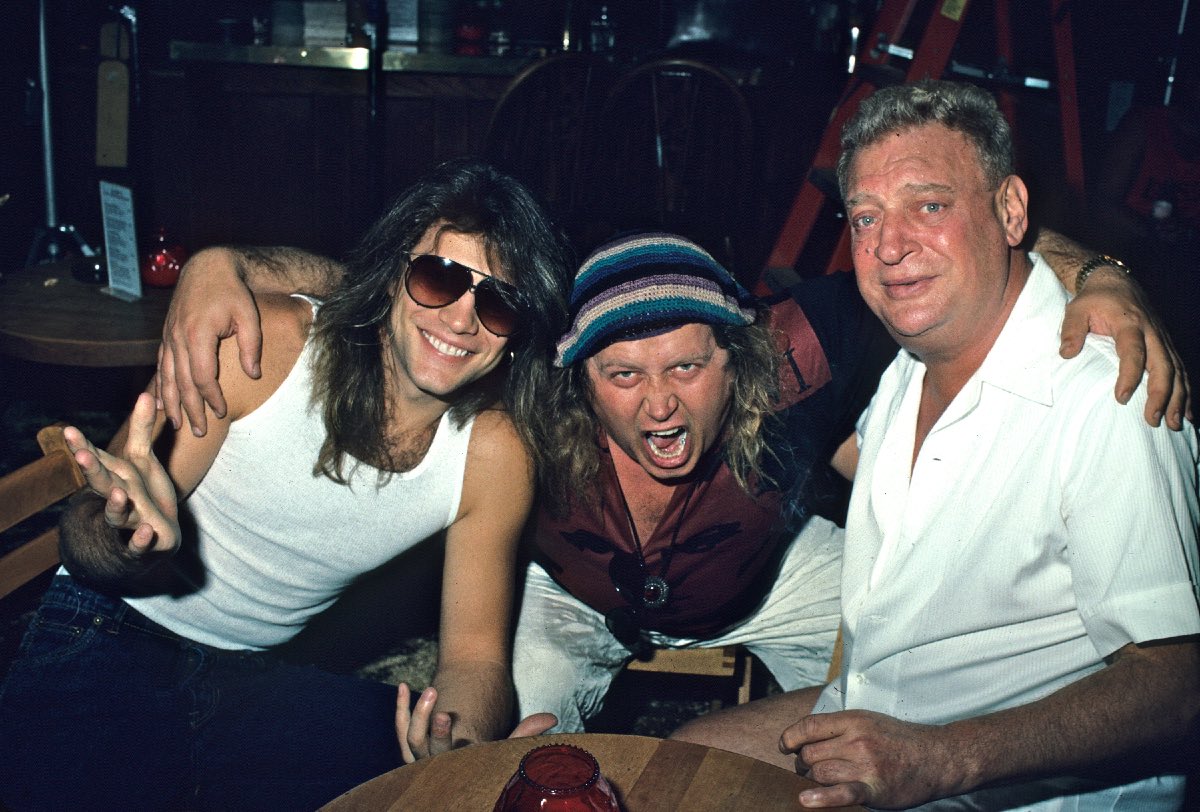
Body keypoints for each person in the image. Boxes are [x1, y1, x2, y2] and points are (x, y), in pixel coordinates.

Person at [154, 213, 1186, 738]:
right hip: (572, 598)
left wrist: (1103, 276)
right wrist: (225, 265)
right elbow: (386, 299)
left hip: (768, 579)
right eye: (625, 373)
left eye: (688, 366)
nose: (658, 404)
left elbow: (970, 243)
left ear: (735, 359)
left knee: (922, 662)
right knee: (508, 752)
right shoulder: (522, 396)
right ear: (574, 373)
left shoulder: (797, 356)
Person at [672, 79, 1200, 810]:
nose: (888, 246)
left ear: (1011, 211)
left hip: (1007, 789)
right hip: (871, 720)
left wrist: (944, 759)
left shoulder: (1102, 396)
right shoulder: (903, 369)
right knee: (670, 772)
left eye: (929, 205)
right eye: (865, 217)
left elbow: (1178, 686)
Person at [0, 158, 569, 810]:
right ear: (392, 276)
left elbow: (476, 659)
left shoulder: (495, 455)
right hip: (107, 628)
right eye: (438, 277)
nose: (462, 320)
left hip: (254, 677)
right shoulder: (264, 347)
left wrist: (456, 738)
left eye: (496, 302)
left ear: (517, 336)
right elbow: (87, 550)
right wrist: (115, 527)